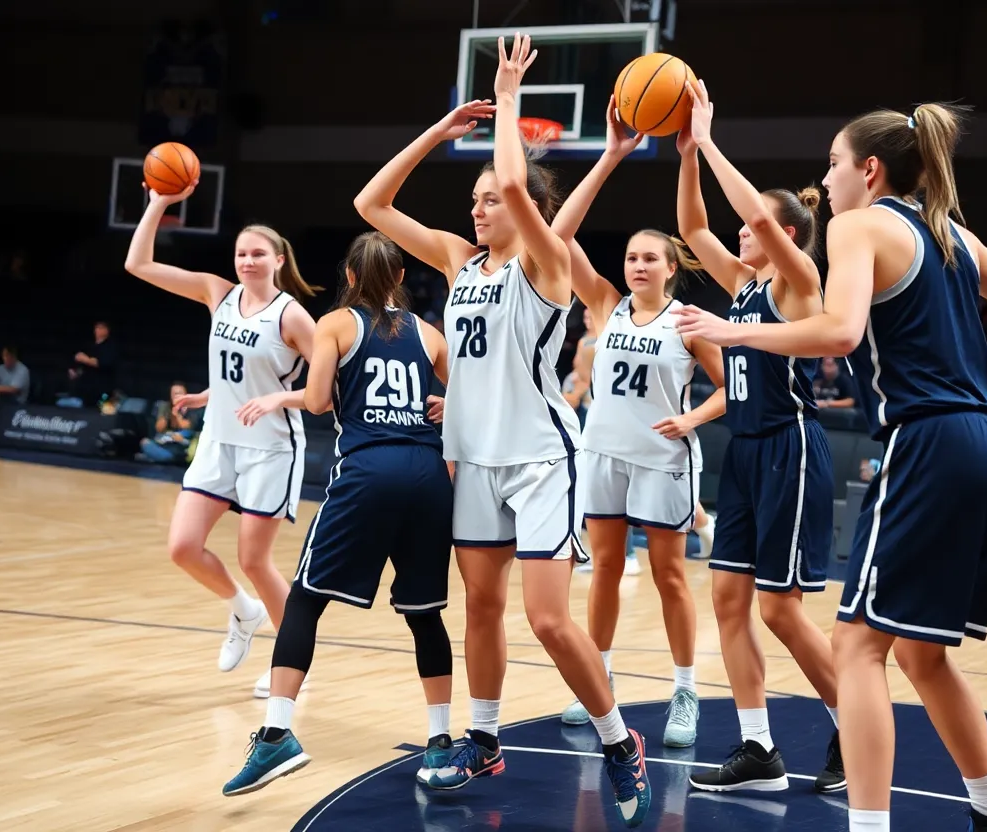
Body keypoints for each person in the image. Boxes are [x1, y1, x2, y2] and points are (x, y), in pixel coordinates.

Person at [672, 102, 987, 832]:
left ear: (867, 171)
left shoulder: (857, 225)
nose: (827, 178)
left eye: (834, 163)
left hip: (931, 442)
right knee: (920, 655)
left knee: (856, 646)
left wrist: (730, 327)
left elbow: (840, 332)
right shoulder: (951, 235)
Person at [354, 33, 651, 828]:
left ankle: (620, 741)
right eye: (475, 200)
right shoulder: (458, 260)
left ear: (525, 210)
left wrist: (510, 96)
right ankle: (482, 739)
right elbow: (372, 206)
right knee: (479, 609)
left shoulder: (548, 264)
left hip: (541, 459)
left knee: (549, 620)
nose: (479, 207)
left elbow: (524, 191)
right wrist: (438, 133)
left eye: (490, 198)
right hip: (473, 459)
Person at [222, 232, 456, 795]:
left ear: (350, 279)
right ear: (401, 278)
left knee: (304, 599)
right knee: (424, 613)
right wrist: (450, 406)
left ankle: (277, 733)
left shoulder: (335, 325)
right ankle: (441, 743)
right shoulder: (430, 335)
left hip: (368, 471)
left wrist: (288, 395)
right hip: (428, 476)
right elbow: (470, 401)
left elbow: (321, 399)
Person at [673, 80, 843, 793]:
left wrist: (712, 140)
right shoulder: (743, 286)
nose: (740, 233)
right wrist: (686, 153)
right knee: (730, 603)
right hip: (743, 454)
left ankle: (856, 727)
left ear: (785, 234)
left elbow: (755, 219)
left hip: (790, 447)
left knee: (779, 608)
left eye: (755, 227)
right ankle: (758, 748)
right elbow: (692, 226)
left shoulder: (798, 279)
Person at [547, 96, 727, 749]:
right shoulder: (603, 304)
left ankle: (686, 690)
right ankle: (596, 682)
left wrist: (692, 417)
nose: (638, 265)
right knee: (605, 566)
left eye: (650, 258)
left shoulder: (687, 321)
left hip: (661, 458)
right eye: (630, 257)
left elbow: (733, 388)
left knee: (669, 575)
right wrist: (610, 154)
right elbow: (560, 238)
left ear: (672, 270)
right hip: (603, 453)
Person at [124, 181, 320, 698]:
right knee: (183, 547)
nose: (247, 261)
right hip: (219, 440)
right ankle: (243, 609)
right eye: (241, 253)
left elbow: (325, 391)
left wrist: (280, 399)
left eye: (258, 253)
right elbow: (139, 266)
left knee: (256, 560)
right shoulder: (219, 292)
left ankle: (292, 665)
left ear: (278, 260)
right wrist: (160, 204)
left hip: (271, 447)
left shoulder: (294, 316)